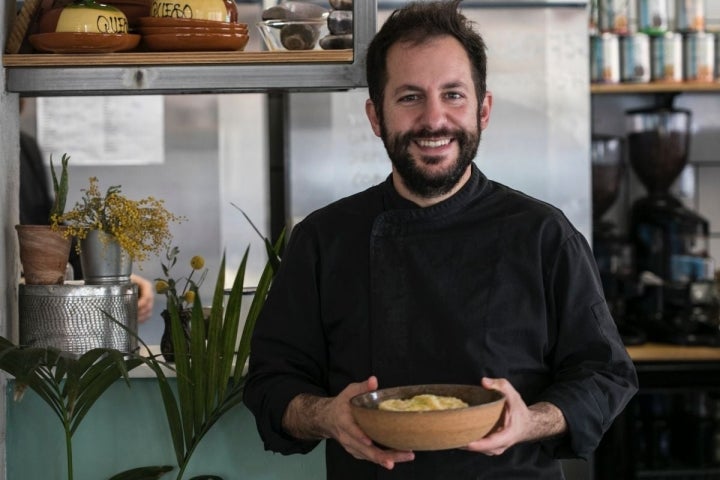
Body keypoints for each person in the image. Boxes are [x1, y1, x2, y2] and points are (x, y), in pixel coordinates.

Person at [243, 1, 639, 478]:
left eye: (453, 95)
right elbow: (270, 383)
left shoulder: (542, 234)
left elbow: (603, 374)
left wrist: (530, 420)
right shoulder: (324, 239)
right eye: (410, 97)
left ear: (483, 109)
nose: (435, 120)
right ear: (375, 116)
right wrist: (327, 416)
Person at [19, 98, 155, 323]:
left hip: (34, 308)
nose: (22, 100)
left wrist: (114, 276)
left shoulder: (24, 148)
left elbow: (53, 231)